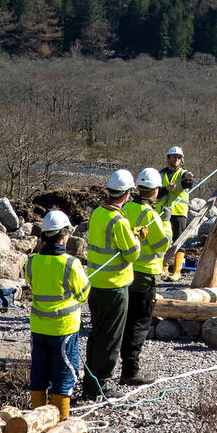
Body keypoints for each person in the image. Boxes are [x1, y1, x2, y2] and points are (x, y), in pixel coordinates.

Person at [83, 169, 141, 400]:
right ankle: (103, 384)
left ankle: (90, 380)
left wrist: (130, 233)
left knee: (97, 335)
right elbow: (132, 254)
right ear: (127, 194)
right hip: (115, 288)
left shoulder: (98, 213)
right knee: (111, 339)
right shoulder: (118, 220)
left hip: (96, 285)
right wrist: (137, 236)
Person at [25, 210, 89, 420]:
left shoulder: (32, 262)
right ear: (64, 235)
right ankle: (61, 423)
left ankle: (36, 421)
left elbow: (34, 285)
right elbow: (83, 294)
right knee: (63, 375)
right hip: (64, 330)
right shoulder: (71, 264)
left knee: (39, 374)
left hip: (39, 329)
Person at [120, 168, 172, 385]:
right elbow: (162, 244)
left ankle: (123, 367)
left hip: (127, 273)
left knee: (126, 321)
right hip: (145, 275)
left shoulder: (128, 208)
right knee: (139, 324)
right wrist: (167, 222)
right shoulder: (149, 214)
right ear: (155, 191)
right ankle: (131, 371)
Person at [161, 146, 194, 281]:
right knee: (164, 241)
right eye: (174, 157)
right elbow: (156, 193)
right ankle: (164, 268)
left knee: (178, 242)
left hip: (179, 212)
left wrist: (190, 180)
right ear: (168, 158)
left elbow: (187, 184)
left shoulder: (184, 174)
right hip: (164, 213)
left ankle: (177, 271)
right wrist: (166, 189)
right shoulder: (160, 174)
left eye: (179, 158)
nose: (176, 159)